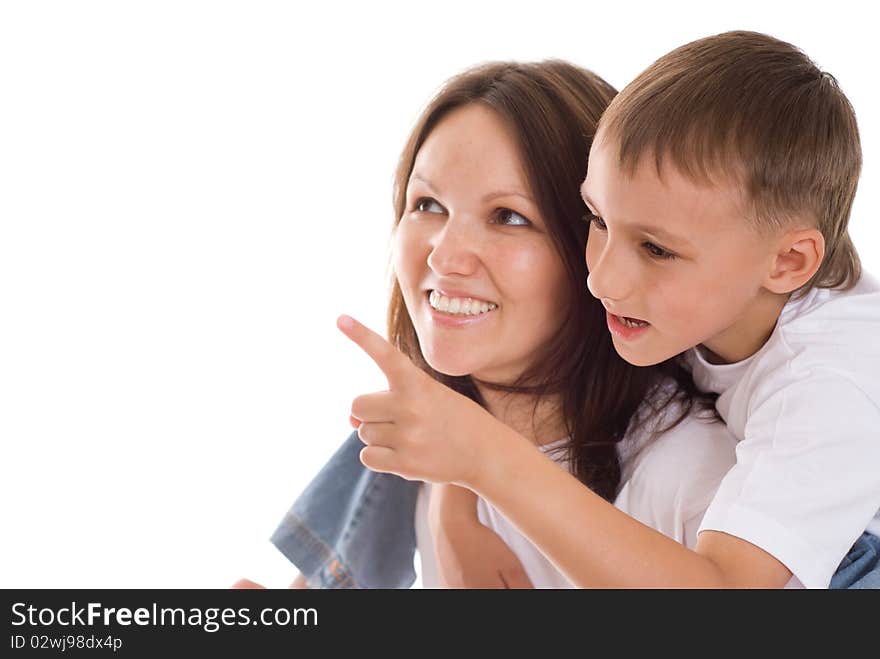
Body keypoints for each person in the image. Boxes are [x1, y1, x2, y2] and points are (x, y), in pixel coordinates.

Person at [341, 31, 880, 589]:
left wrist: (485, 460)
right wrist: (454, 502)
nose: (600, 278)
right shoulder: (713, 293)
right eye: (597, 221)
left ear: (790, 262)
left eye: (656, 248)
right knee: (405, 415)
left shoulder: (824, 386)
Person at [234, 60, 737, 589]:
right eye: (427, 204)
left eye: (509, 217)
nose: (446, 256)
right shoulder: (416, 442)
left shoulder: (692, 475)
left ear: (595, 247)